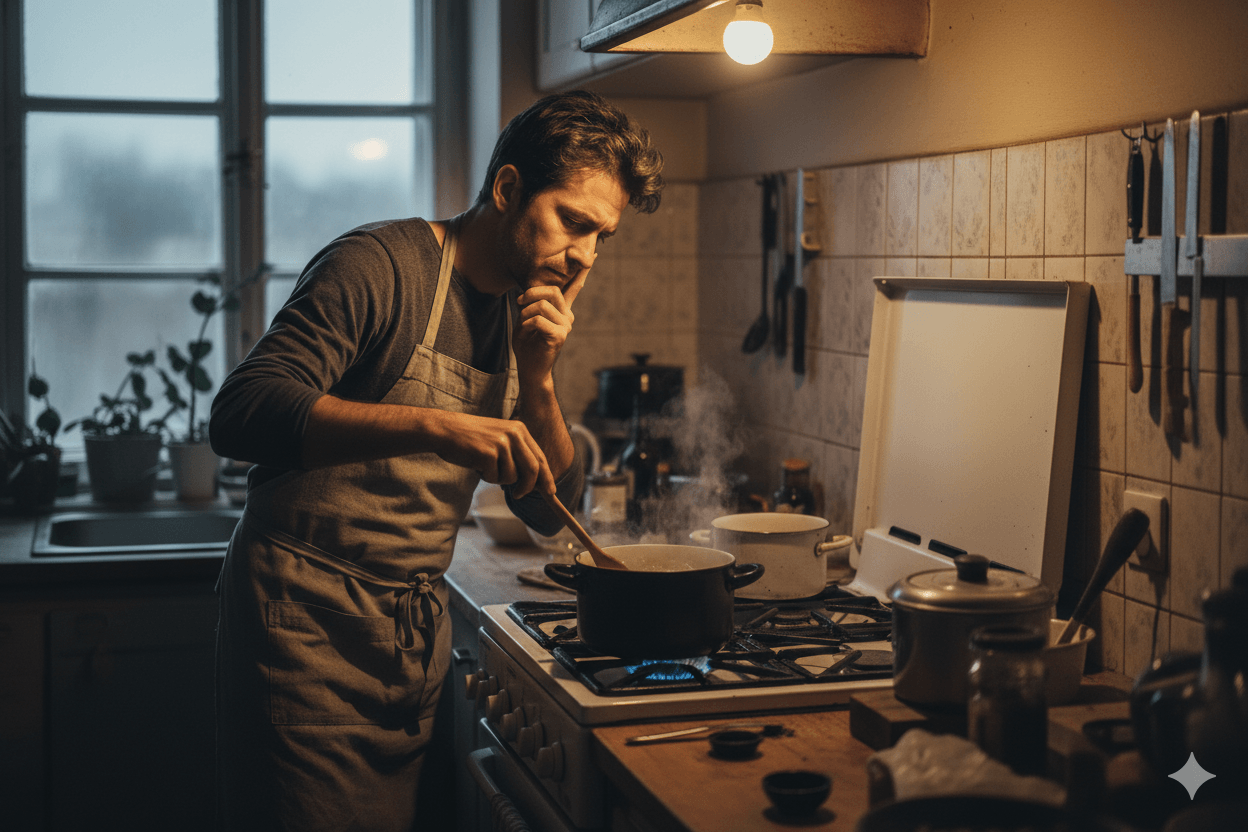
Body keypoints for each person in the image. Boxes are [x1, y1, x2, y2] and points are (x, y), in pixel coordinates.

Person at [209, 90, 663, 831]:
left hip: (407, 636)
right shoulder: (382, 267)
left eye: (601, 236)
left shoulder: (525, 307)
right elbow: (241, 412)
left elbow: (548, 510)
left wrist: (539, 374)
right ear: (508, 188)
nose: (584, 253)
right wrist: (439, 427)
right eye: (574, 222)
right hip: (301, 624)